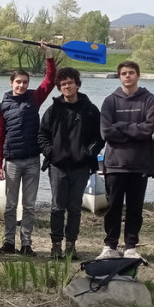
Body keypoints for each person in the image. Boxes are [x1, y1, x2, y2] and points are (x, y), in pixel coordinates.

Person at [0, 57, 57, 255]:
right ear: (11, 83)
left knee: (29, 205)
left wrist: (49, 57)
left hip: (32, 161)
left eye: (25, 82)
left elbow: (50, 80)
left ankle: (26, 244)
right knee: (11, 205)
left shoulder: (34, 99)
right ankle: (9, 242)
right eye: (18, 82)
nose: (21, 85)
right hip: (12, 161)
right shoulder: (1, 107)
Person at [97, 61, 154, 260]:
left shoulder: (149, 100)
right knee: (113, 207)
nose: (127, 76)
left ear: (138, 75)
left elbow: (148, 129)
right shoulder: (110, 101)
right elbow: (106, 132)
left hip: (140, 163)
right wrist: (134, 131)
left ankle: (131, 246)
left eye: (131, 72)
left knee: (135, 208)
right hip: (115, 164)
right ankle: (110, 245)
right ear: (119, 76)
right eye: (123, 73)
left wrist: (121, 126)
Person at [38, 67, 102, 260]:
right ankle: (56, 245)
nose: (67, 86)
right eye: (63, 84)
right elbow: (42, 136)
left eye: (70, 83)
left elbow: (99, 137)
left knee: (74, 208)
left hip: (81, 166)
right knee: (57, 207)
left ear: (77, 84)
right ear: (59, 87)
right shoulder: (53, 110)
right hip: (58, 166)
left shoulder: (90, 110)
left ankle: (71, 246)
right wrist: (51, 152)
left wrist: (88, 152)